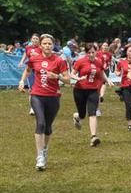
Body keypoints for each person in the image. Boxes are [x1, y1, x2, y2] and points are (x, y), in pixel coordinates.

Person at [18, 34, 69, 170]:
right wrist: (22, 81)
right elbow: (28, 70)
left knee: (48, 127)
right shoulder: (34, 58)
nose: (47, 46)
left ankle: (45, 148)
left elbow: (68, 80)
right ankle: (40, 156)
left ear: (53, 45)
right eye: (45, 43)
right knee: (40, 123)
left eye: (49, 44)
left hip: (53, 96)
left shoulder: (59, 61)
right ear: (40, 46)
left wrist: (57, 76)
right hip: (37, 95)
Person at [70, 46, 110, 146]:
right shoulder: (80, 61)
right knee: (82, 114)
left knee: (92, 113)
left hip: (93, 90)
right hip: (80, 90)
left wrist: (108, 80)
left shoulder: (99, 62)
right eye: (89, 52)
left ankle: (93, 137)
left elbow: (102, 72)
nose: (91, 54)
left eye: (93, 52)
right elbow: (72, 74)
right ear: (86, 53)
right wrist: (78, 78)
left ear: (96, 52)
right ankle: (77, 117)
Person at [117, 46, 131, 130]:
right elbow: (117, 70)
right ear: (126, 52)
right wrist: (118, 73)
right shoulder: (122, 61)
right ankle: (130, 124)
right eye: (130, 51)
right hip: (125, 85)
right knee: (128, 104)